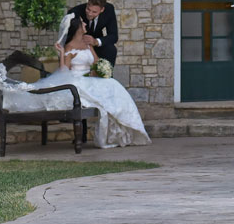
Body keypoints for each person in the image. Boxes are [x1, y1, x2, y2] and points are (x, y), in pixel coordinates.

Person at [31, 13, 150, 149]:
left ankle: (125, 127)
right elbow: (64, 70)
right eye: (83, 23)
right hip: (77, 79)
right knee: (105, 91)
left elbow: (96, 61)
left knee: (113, 85)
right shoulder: (70, 47)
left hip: (91, 78)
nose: (86, 24)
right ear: (77, 28)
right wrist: (63, 52)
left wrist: (100, 69)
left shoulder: (87, 43)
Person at [65, 0, 118, 66]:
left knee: (111, 49)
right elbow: (69, 36)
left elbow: (114, 36)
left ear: (102, 9)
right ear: (87, 3)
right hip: (80, 43)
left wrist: (96, 41)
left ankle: (107, 74)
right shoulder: (75, 12)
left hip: (97, 41)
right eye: (88, 9)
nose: (89, 13)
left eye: (94, 12)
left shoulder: (109, 10)